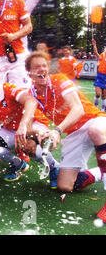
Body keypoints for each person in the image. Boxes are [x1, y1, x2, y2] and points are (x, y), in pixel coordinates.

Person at [25, 51, 106, 222]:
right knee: (65, 186)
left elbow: (78, 109)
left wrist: (57, 130)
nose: (41, 69)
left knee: (96, 131)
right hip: (74, 133)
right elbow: (29, 122)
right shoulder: (32, 93)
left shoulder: (59, 80)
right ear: (29, 73)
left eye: (44, 66)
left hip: (94, 120)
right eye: (36, 67)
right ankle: (96, 173)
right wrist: (42, 133)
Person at [92, 38, 106, 111]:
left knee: (104, 96)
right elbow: (96, 53)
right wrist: (94, 45)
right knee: (98, 94)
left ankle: (103, 109)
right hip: (100, 76)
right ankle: (95, 107)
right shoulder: (103, 55)